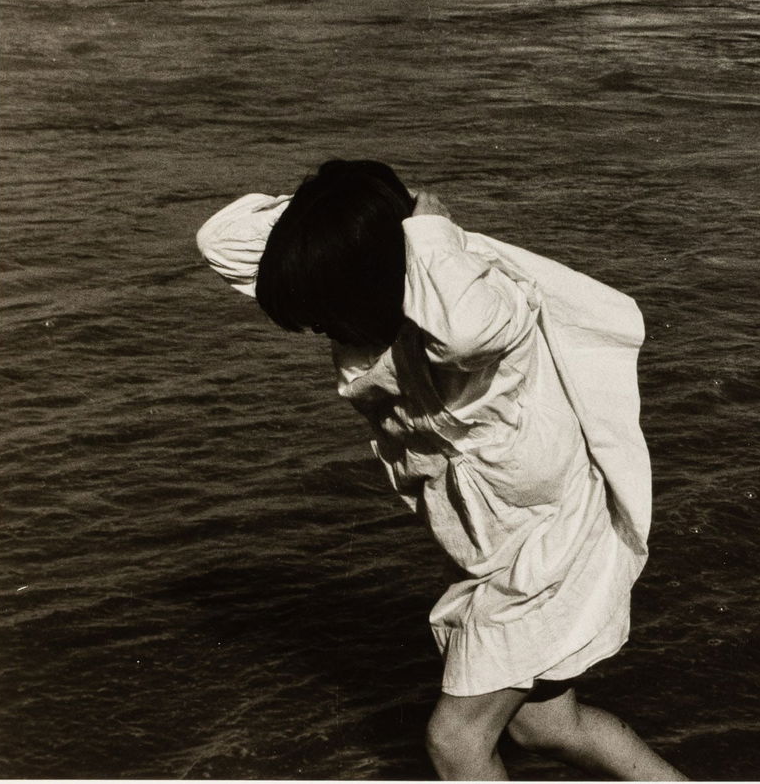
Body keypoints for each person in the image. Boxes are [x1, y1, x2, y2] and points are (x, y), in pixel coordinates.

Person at [195, 159, 685, 781]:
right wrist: (352, 210)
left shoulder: (481, 299)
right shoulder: (364, 291)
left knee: (455, 742)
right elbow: (221, 240)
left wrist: (425, 231)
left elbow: (467, 334)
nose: (325, 329)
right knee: (548, 727)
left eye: (326, 315)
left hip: (550, 541)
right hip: (490, 542)